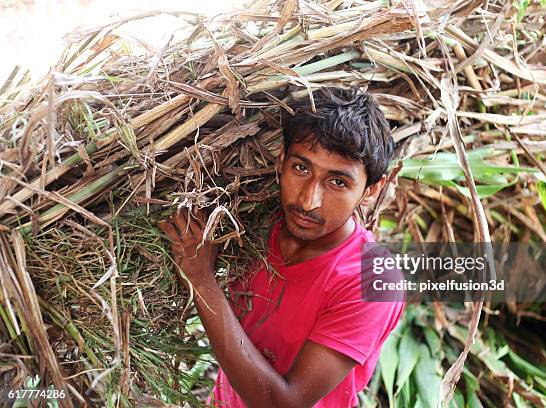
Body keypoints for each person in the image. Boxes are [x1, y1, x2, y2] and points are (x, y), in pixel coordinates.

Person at [159, 87, 406, 408]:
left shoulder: (372, 280)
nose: (307, 201)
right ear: (281, 161)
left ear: (372, 190)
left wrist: (201, 279)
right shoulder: (256, 224)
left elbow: (284, 404)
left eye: (338, 182)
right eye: (301, 169)